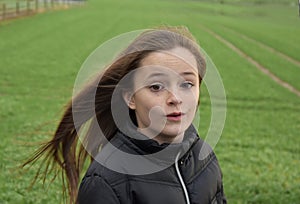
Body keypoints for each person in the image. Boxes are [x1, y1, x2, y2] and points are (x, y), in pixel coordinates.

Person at [24, 26, 226, 204]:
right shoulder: (106, 182)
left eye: (187, 84)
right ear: (130, 97)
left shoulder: (204, 156)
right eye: (156, 86)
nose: (175, 98)